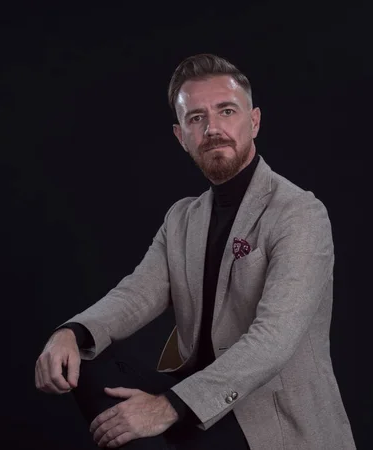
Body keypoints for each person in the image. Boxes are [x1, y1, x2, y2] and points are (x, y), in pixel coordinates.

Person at [35, 53, 356, 450]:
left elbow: (274, 338)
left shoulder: (299, 213)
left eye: (226, 111)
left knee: (145, 425)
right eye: (196, 118)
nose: (213, 129)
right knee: (83, 358)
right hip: (194, 399)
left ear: (253, 121)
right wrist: (71, 330)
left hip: (269, 419)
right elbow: (137, 293)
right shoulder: (182, 218)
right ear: (180, 135)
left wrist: (168, 406)